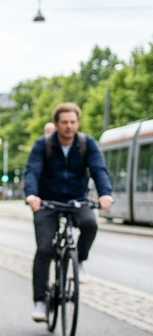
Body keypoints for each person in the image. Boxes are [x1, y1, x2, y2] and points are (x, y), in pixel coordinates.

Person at [23, 103, 113, 321]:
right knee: (44, 249)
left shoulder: (86, 143)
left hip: (77, 199)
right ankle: (40, 302)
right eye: (64, 122)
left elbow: (98, 169)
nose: (69, 126)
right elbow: (32, 171)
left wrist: (105, 194)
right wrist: (32, 194)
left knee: (90, 224)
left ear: (78, 123)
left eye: (73, 122)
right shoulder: (43, 144)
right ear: (56, 124)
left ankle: (79, 259)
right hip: (47, 202)